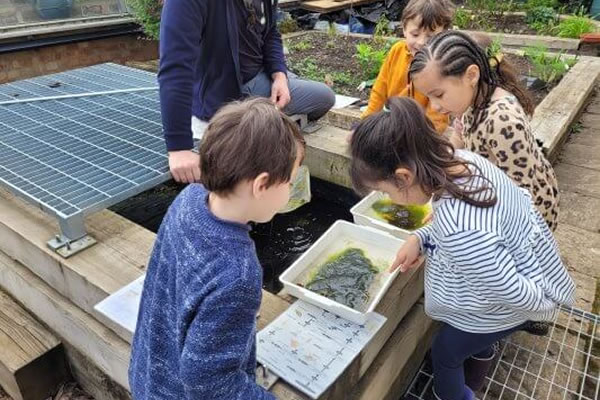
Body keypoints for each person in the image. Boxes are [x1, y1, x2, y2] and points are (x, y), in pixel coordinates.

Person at [349, 97, 575, 399]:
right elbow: (478, 233)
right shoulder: (466, 162)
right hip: (529, 269)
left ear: (403, 177)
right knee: (472, 341)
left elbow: (512, 290)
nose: (387, 199)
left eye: (384, 191)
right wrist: (421, 238)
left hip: (511, 305)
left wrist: (543, 309)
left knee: (445, 352)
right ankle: (481, 361)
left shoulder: (460, 230)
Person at [129, 98, 305, 400]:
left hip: (149, 373)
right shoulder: (238, 273)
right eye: (290, 181)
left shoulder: (189, 199)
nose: (290, 190)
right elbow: (209, 384)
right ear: (261, 185)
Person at [159, 0, 334, 183]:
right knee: (323, 96)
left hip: (261, 72)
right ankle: (261, 120)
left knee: (319, 95)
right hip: (229, 89)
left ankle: (269, 114)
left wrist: (279, 75)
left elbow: (270, 33)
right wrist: (178, 148)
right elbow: (175, 70)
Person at [409, 30, 560, 231]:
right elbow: (458, 138)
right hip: (492, 191)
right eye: (429, 97)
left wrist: (455, 210)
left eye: (438, 95)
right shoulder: (469, 101)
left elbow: (520, 193)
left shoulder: (502, 121)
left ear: (471, 75)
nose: (434, 106)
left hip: (528, 219)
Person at [361, 0, 455, 133]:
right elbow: (380, 89)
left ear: (443, 34)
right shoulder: (397, 51)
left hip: (422, 129)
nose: (421, 42)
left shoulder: (442, 63)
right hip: (392, 119)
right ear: (404, 29)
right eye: (415, 34)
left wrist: (427, 137)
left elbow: (438, 112)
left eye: (430, 37)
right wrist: (366, 122)